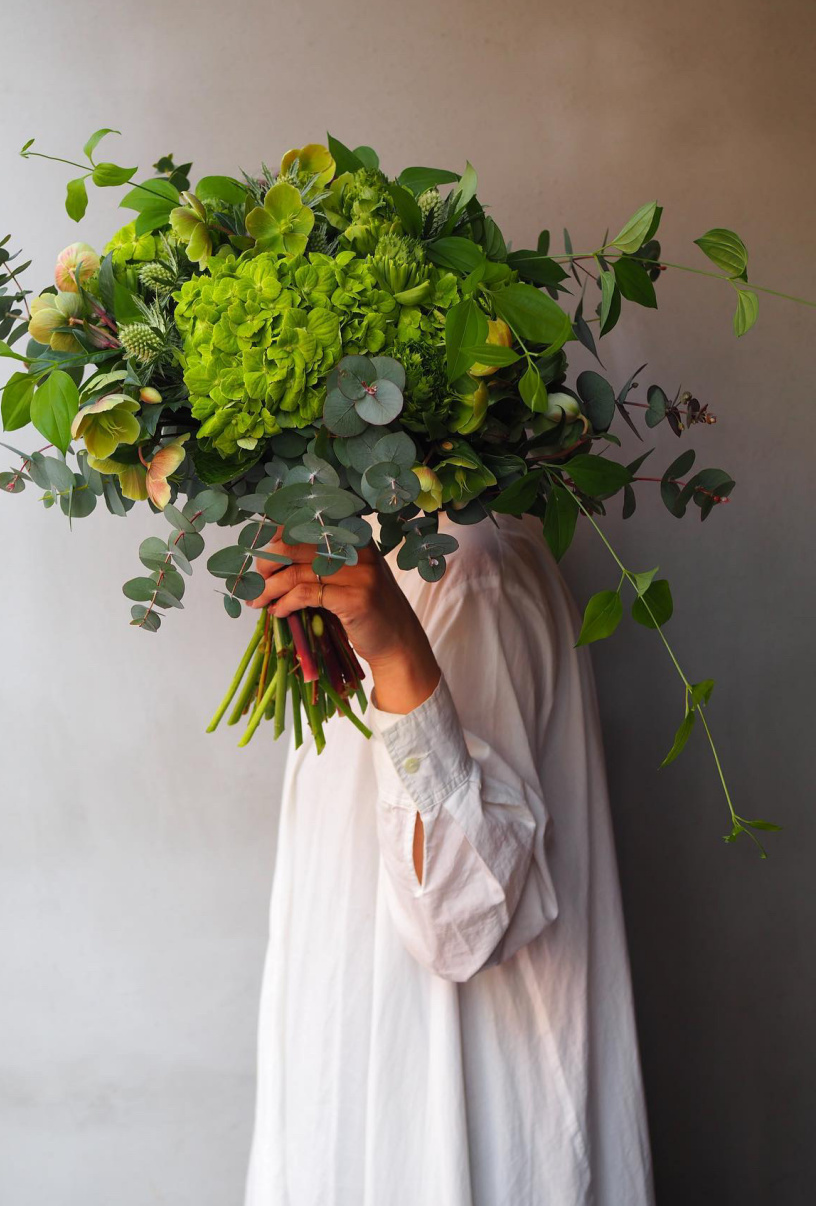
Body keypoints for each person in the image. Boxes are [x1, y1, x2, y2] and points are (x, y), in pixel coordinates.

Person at [241, 510, 655, 1206]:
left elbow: (464, 921)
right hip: (356, 1071)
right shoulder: (357, 547)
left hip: (445, 1117)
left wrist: (399, 653)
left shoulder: (465, 565)